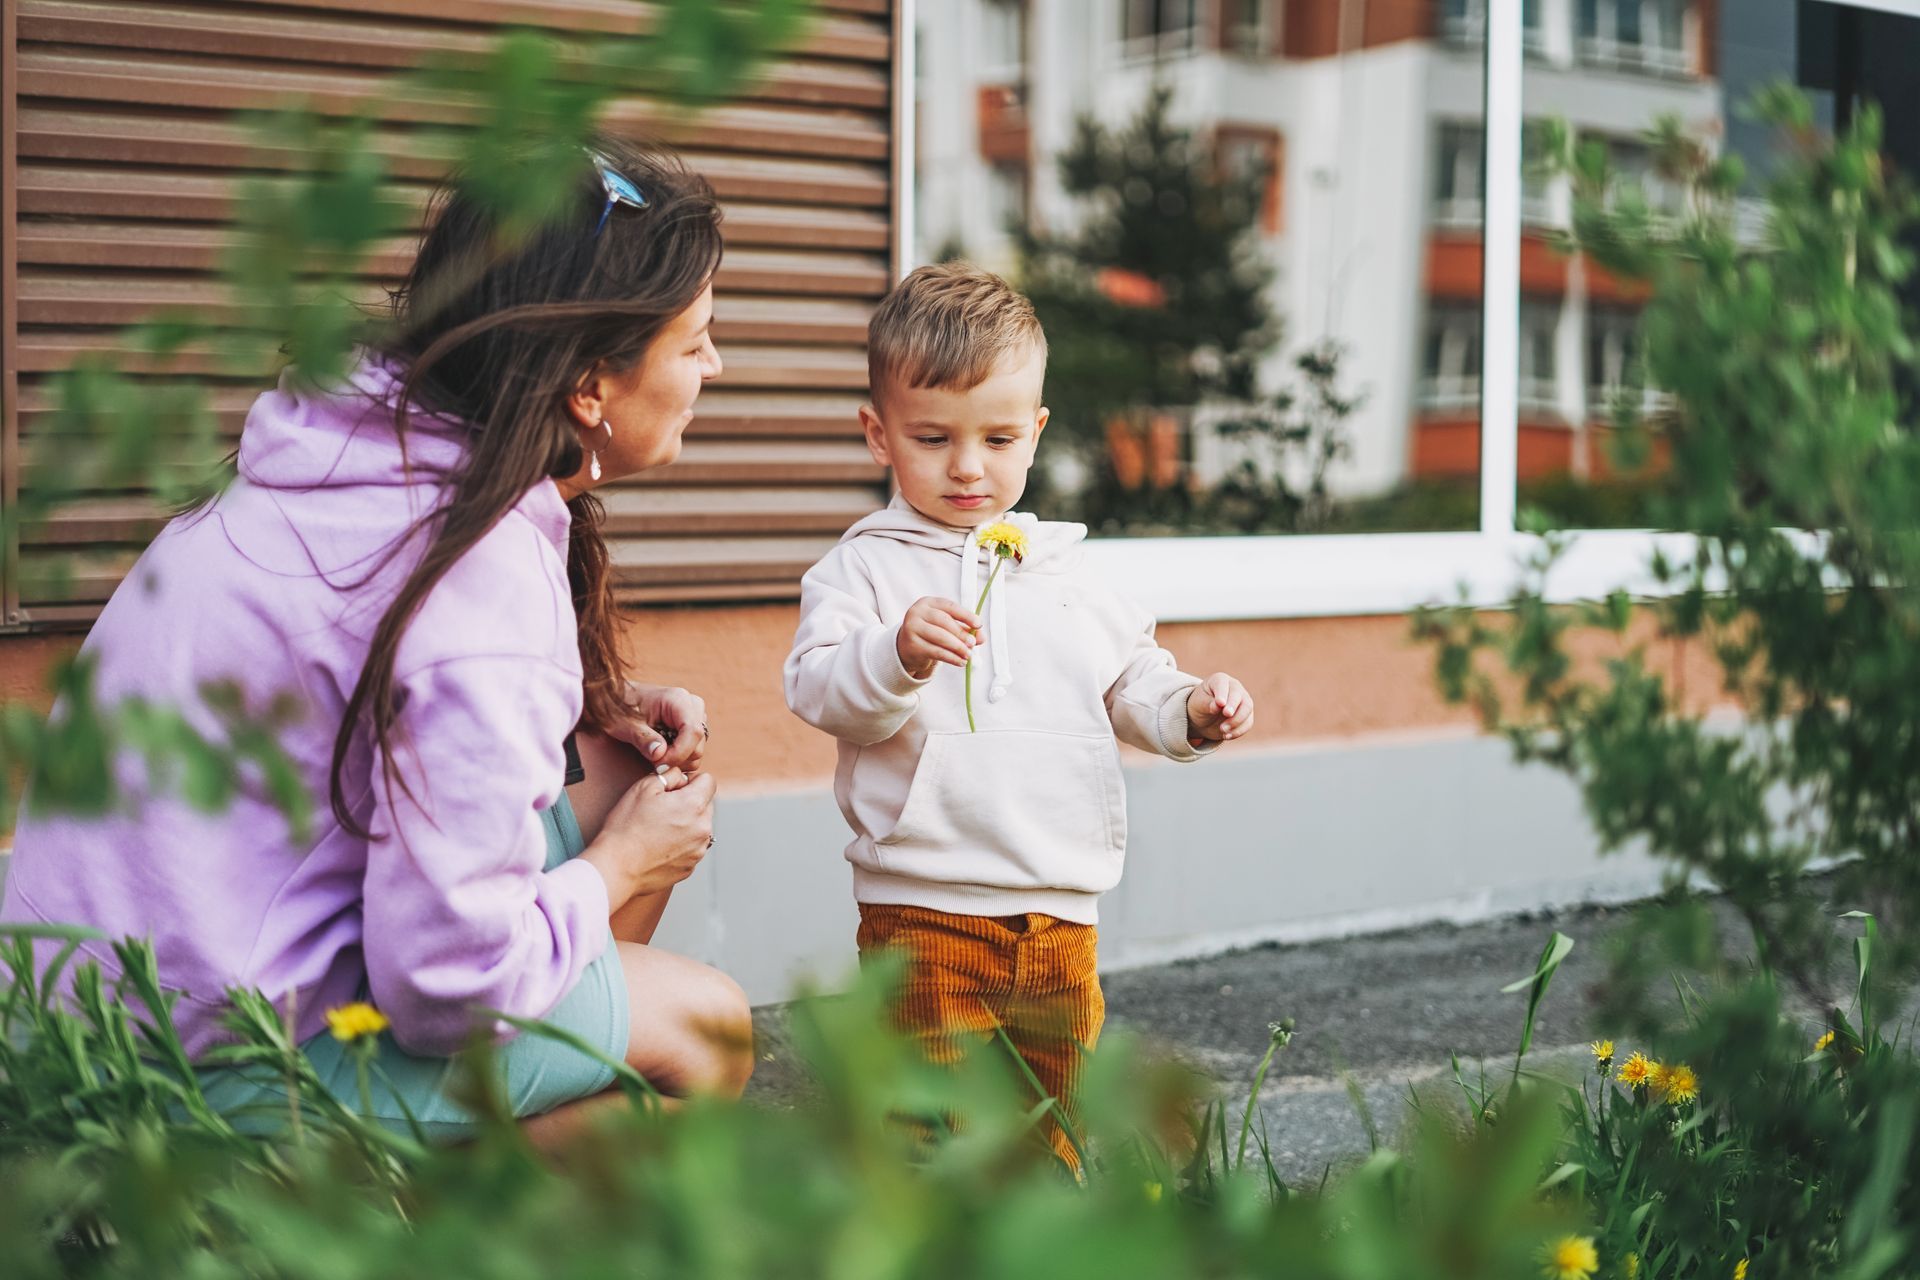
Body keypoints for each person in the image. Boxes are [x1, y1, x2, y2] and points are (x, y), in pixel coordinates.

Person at [0, 138, 753, 1141]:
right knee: (715, 1029)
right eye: (693, 337)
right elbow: (442, 984)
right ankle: (357, 1213)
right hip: (187, 1081)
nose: (716, 363)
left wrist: (570, 707)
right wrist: (618, 863)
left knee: (619, 765)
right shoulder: (478, 576)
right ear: (589, 386)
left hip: (73, 1015)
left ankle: (438, 1150)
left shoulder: (351, 441)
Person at [782, 262, 1255, 1168]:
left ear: (1035, 433)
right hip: (923, 913)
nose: (968, 466)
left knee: (1054, 1132)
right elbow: (816, 688)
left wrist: (1190, 711)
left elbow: (1133, 684)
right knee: (927, 1141)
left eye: (998, 438)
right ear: (878, 434)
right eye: (933, 438)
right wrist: (897, 652)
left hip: (1059, 922)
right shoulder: (865, 572)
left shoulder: (1069, 573)